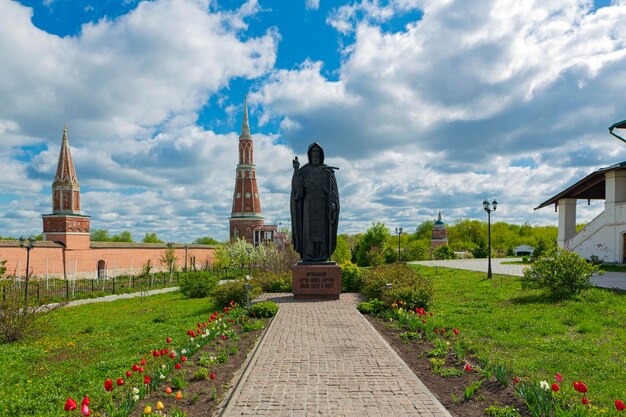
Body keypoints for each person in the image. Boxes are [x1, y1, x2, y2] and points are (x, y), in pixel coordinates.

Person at [290, 143, 340, 262]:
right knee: (308, 233)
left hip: (323, 208)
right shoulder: (304, 171)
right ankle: (309, 256)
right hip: (308, 208)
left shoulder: (327, 171)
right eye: (313, 152)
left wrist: (332, 203)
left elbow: (333, 192)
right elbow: (297, 192)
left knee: (323, 233)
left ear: (321, 154)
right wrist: (296, 170)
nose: (315, 154)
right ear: (309, 154)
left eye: (318, 151)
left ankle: (323, 256)